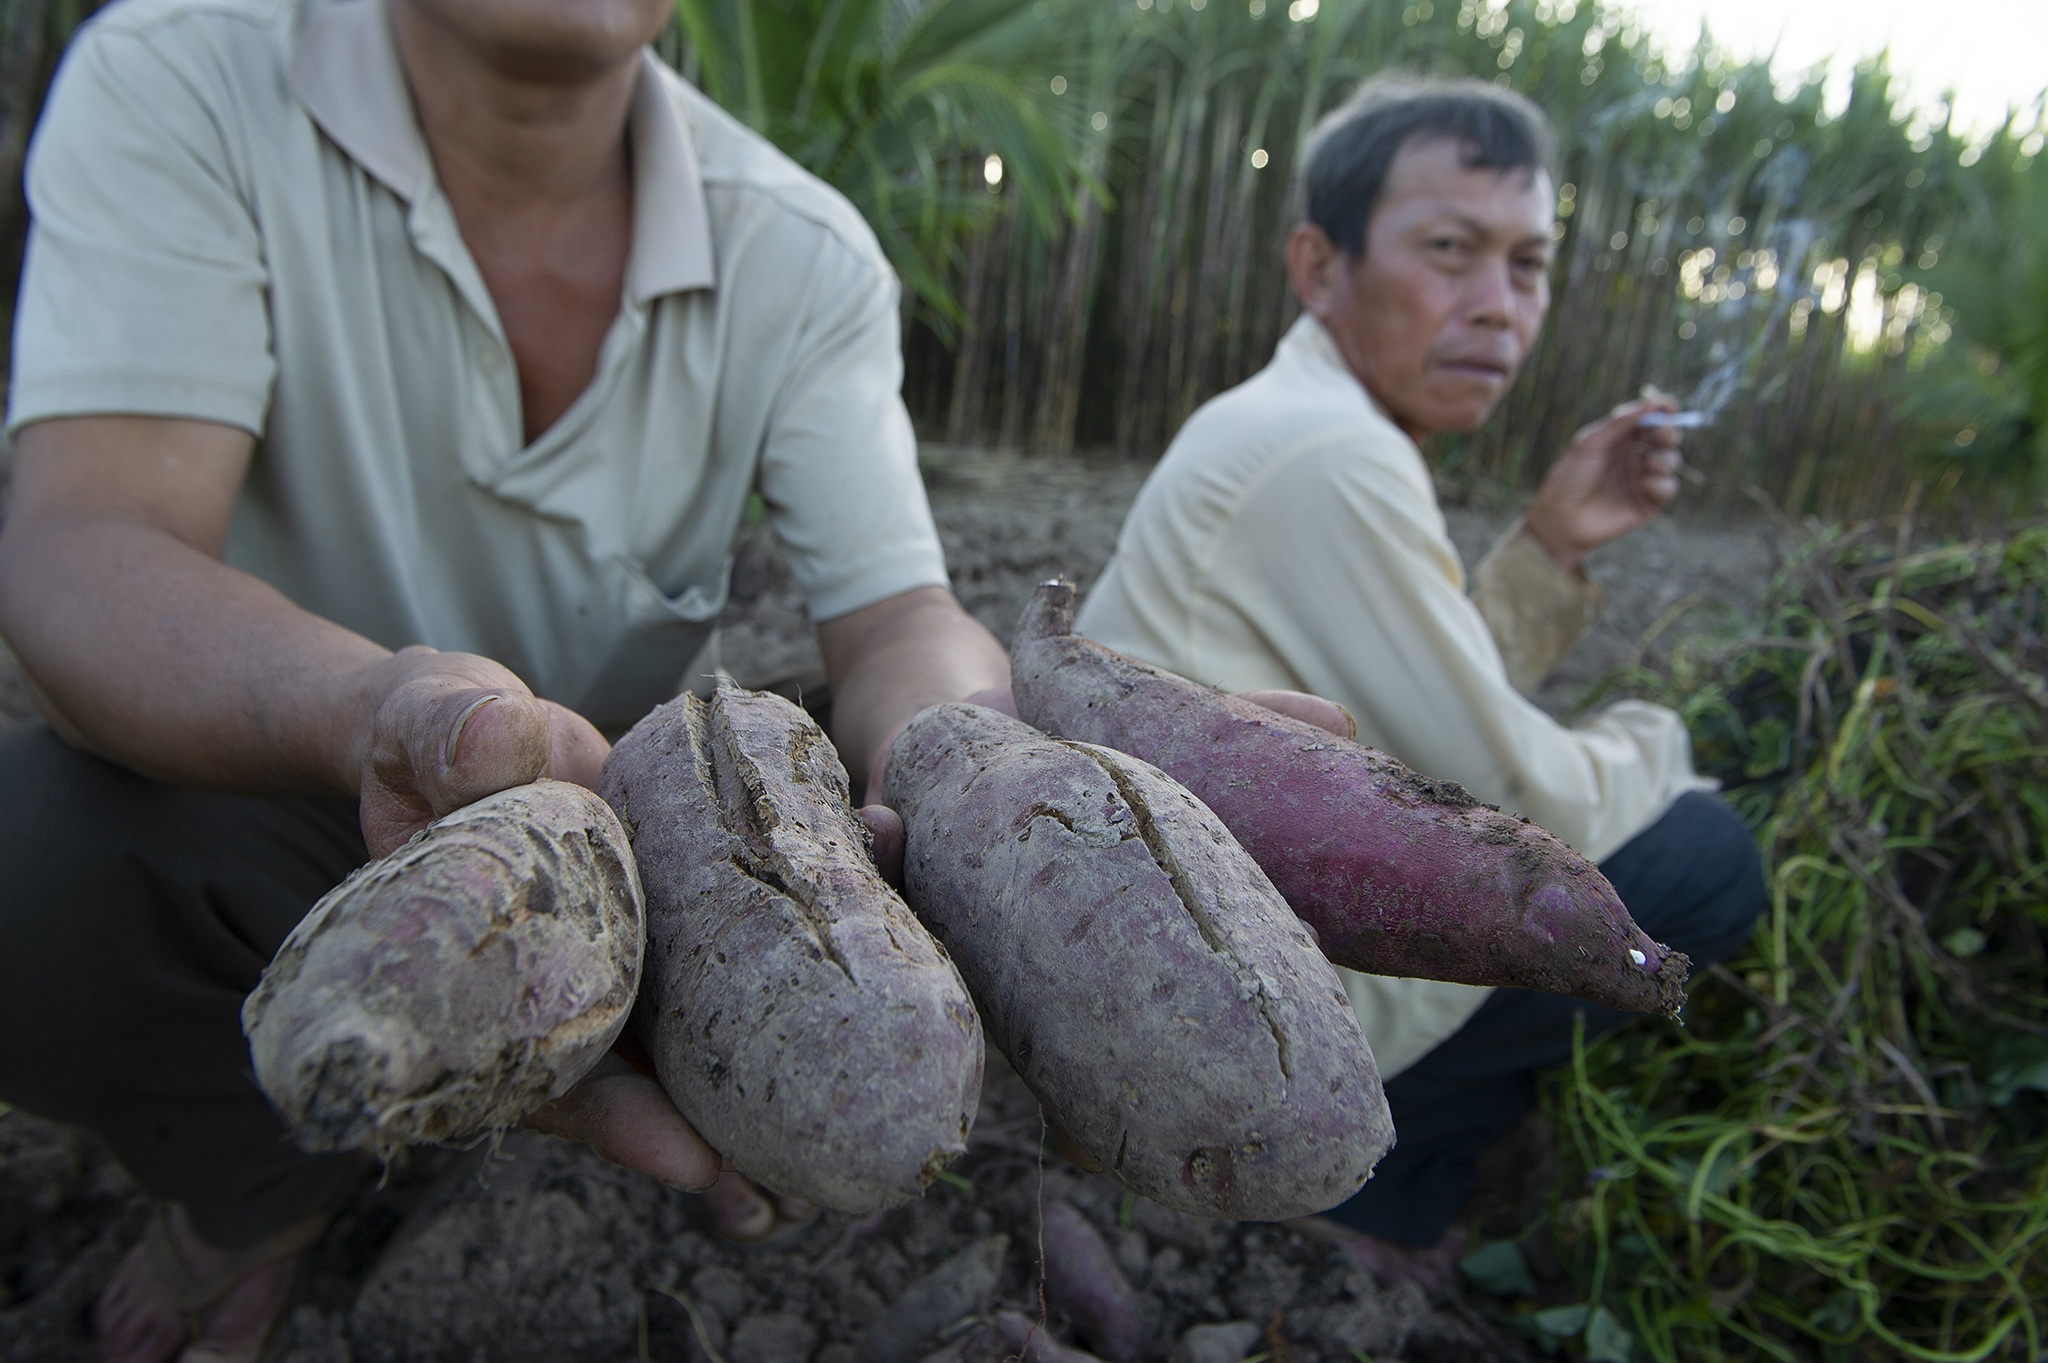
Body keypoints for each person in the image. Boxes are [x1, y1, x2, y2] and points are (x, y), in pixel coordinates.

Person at [0, 0, 1022, 1358]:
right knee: (36, 868)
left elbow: (899, 615)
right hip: (290, 782)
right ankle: (253, 1183)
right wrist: (371, 707)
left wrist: (993, 768)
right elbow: (90, 536)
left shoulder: (801, 249)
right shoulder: (185, 76)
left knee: (911, 758)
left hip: (627, 817)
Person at [1077, 76, 1768, 1286]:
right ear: (1316, 264)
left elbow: (1405, 689)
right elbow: (1510, 798)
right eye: (1451, 252)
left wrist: (1549, 547)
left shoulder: (1309, 419)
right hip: (1223, 1017)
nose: (1497, 308)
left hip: (1162, 978)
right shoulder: (1328, 454)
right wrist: (1669, 738)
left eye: (1529, 265)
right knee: (1701, 854)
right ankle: (1376, 1190)